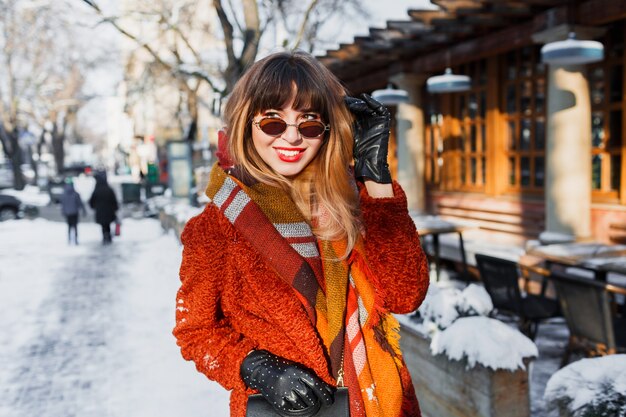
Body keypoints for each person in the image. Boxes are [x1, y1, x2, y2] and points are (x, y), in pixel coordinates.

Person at [173, 51, 430, 417]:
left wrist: (376, 179)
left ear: (326, 130)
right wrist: (257, 368)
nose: (292, 138)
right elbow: (195, 331)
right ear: (248, 124)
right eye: (273, 122)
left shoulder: (354, 205)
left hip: (373, 403)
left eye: (308, 123)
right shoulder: (216, 227)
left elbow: (406, 296)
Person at [89, 172, 119, 244]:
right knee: (108, 224)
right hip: (109, 211)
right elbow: (114, 200)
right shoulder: (109, 189)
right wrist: (115, 208)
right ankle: (108, 236)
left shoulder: (96, 190)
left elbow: (91, 201)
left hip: (100, 212)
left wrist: (93, 207)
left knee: (103, 225)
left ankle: (105, 236)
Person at [60, 179, 86, 245]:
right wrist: (83, 211)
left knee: (69, 227)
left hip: (68, 213)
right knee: (75, 227)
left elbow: (62, 204)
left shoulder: (64, 194)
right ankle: (76, 240)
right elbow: (80, 203)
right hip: (75, 213)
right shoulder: (76, 194)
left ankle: (69, 240)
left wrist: (63, 211)